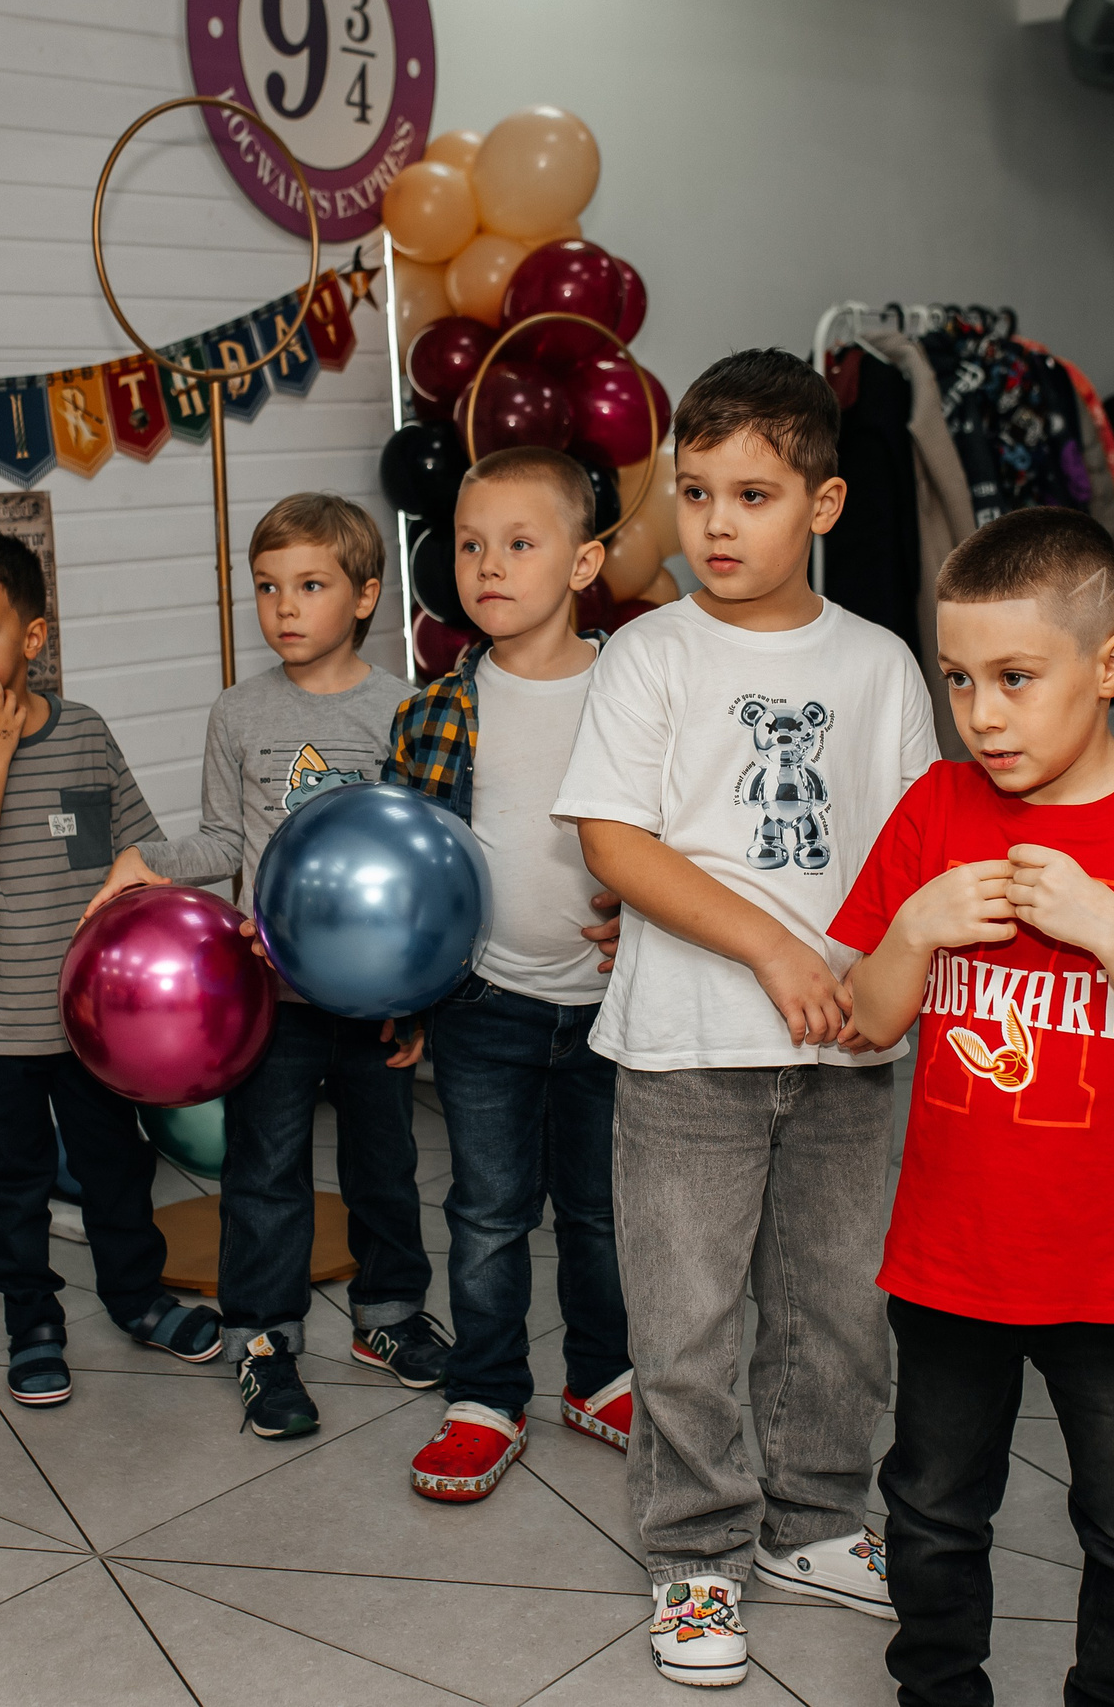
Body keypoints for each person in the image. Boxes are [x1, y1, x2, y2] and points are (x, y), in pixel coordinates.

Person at [829, 506, 1114, 1707]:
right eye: (960, 678)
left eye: (1016, 678)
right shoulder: (935, 807)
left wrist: (1107, 924)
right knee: (927, 1510)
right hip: (948, 1255)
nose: (983, 713)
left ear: (1110, 666)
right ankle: (938, 1693)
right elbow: (866, 1016)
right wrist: (914, 926)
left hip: (1111, 1267)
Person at [554, 350, 940, 1688]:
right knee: (689, 1315)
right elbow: (614, 841)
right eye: (698, 490)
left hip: (847, 1052)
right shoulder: (651, 654)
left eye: (755, 495)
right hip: (688, 1054)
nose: (718, 524)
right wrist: (775, 944)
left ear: (824, 506)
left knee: (837, 1304)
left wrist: (884, 976)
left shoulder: (882, 664)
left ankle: (818, 1520)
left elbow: (909, 851)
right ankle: (700, 1554)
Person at [86, 493, 447, 1439]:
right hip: (273, 997)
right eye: (267, 588)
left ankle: (391, 1316)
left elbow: (422, 864)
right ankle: (262, 1339)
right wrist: (143, 861)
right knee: (266, 1171)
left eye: (312, 585)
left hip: (372, 994)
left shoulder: (402, 705)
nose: (285, 607)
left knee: (386, 1163)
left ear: (366, 595)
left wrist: (417, 1002)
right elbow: (219, 839)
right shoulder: (239, 711)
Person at [0, 531, 224, 1410]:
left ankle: (137, 1297)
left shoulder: (85, 735)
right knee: (13, 1175)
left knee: (118, 1165)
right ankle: (32, 1318)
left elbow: (136, 856)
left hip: (90, 1019)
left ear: (32, 639)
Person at [381, 446, 632, 1503]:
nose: (487, 564)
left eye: (519, 543)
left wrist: (658, 924)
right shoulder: (433, 708)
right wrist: (404, 993)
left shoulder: (637, 687)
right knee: (486, 1208)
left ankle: (603, 1372)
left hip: (616, 1005)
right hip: (486, 1000)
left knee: (601, 1208)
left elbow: (693, 836)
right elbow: (403, 870)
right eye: (472, 544)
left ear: (584, 561)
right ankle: (486, 1392)